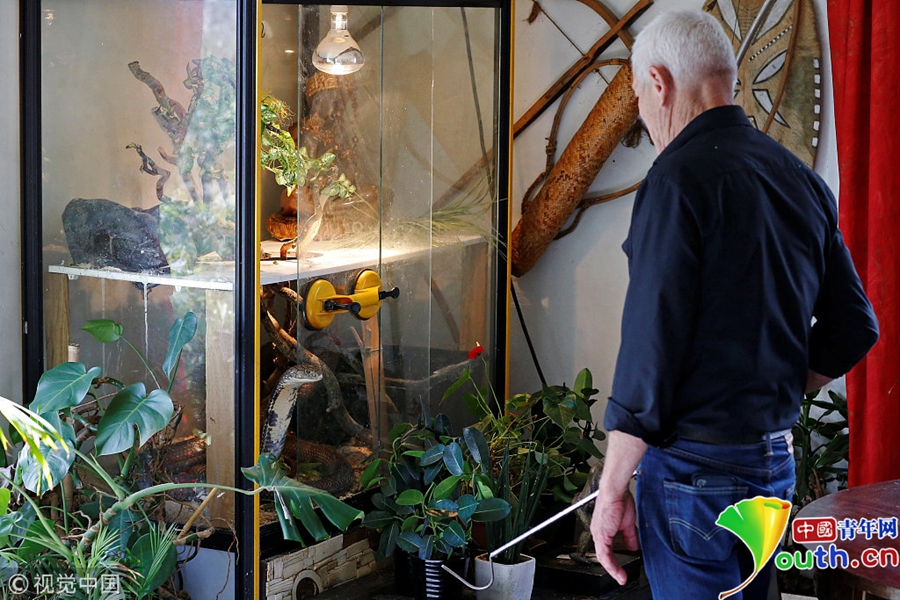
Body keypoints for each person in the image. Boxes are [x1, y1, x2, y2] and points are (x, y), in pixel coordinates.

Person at [589, 9, 879, 599]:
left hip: (693, 476)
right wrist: (774, 384)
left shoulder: (674, 181)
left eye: (639, 96)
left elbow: (649, 353)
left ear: (659, 83)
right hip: (773, 466)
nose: (643, 114)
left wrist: (611, 489)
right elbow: (853, 325)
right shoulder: (797, 178)